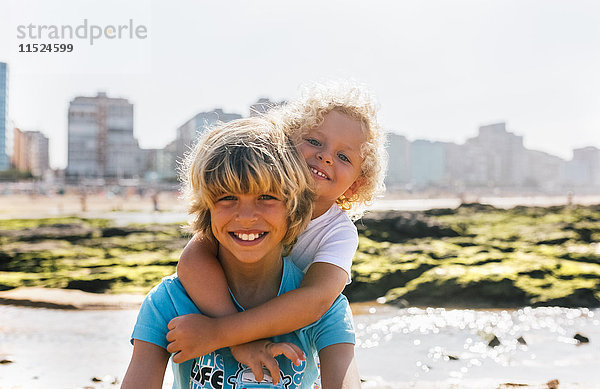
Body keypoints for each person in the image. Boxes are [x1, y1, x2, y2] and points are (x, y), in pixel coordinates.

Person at [168, 81, 387, 379]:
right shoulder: (251, 205)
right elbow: (193, 259)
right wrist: (238, 340)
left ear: (357, 184)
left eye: (344, 157)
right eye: (314, 141)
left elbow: (317, 300)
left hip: (293, 346)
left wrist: (219, 333)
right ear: (287, 141)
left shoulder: (338, 232)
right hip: (230, 310)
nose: (325, 157)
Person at [121, 117, 360, 389]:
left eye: (267, 197)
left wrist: (219, 334)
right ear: (206, 208)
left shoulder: (327, 310)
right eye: (227, 197)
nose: (246, 217)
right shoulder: (169, 302)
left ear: (295, 209)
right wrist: (238, 341)